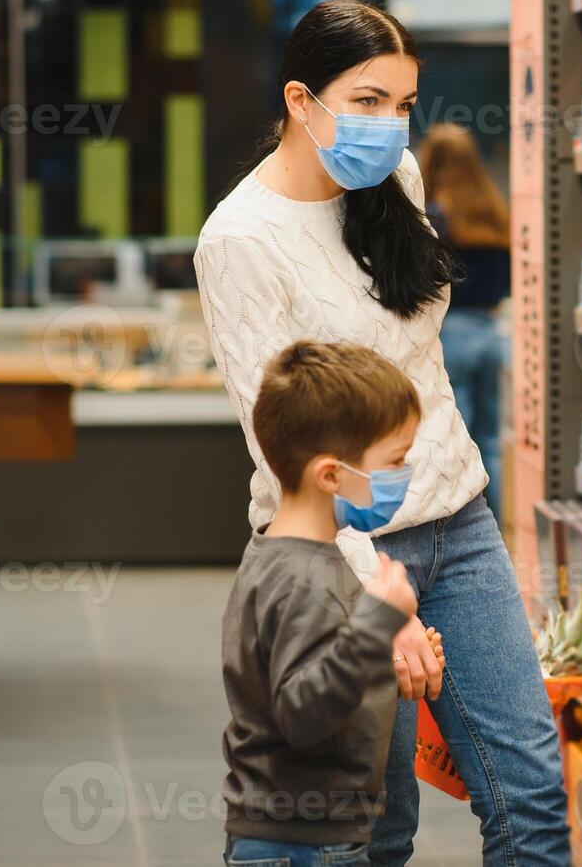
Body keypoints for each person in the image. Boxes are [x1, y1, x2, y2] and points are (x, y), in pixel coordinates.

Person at [195, 0, 570, 865]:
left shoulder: (393, 182)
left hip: (459, 525)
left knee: (532, 797)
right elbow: (285, 449)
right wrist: (376, 601)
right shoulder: (241, 241)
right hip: (343, 556)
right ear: (300, 100)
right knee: (375, 831)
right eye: (366, 102)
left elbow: (421, 357)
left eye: (403, 105)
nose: (391, 126)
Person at [220, 340, 442, 866]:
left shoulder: (284, 555)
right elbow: (302, 714)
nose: (403, 474)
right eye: (392, 462)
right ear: (330, 475)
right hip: (304, 844)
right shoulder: (304, 579)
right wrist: (376, 621)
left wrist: (377, 651)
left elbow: (307, 670)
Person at [417, 123, 511, 518]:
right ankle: (494, 526)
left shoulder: (432, 218)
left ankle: (462, 526)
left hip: (452, 334)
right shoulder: (494, 211)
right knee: (489, 441)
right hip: (493, 333)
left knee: (458, 441)